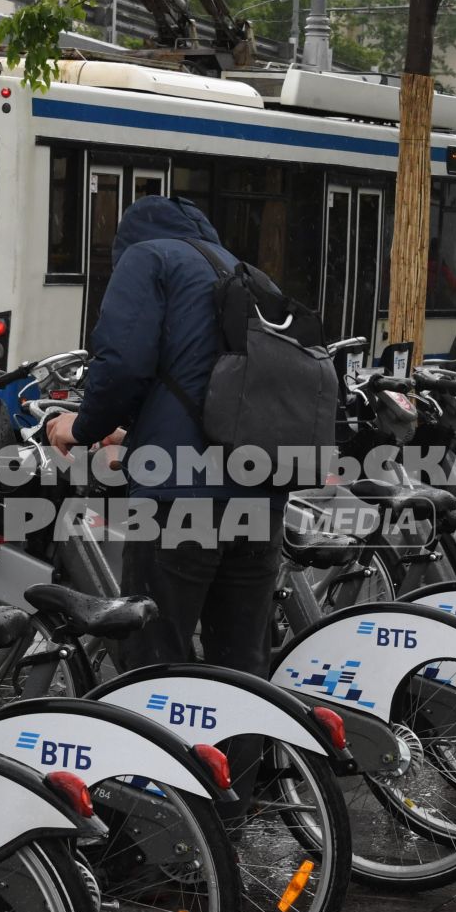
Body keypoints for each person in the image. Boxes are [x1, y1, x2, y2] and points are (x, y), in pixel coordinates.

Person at [43, 195, 284, 677]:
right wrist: (132, 433)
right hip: (261, 493)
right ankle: (243, 752)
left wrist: (83, 425)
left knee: (154, 652)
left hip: (182, 495)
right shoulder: (250, 275)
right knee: (242, 664)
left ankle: (158, 751)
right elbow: (213, 386)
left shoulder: (147, 257)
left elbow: (124, 363)